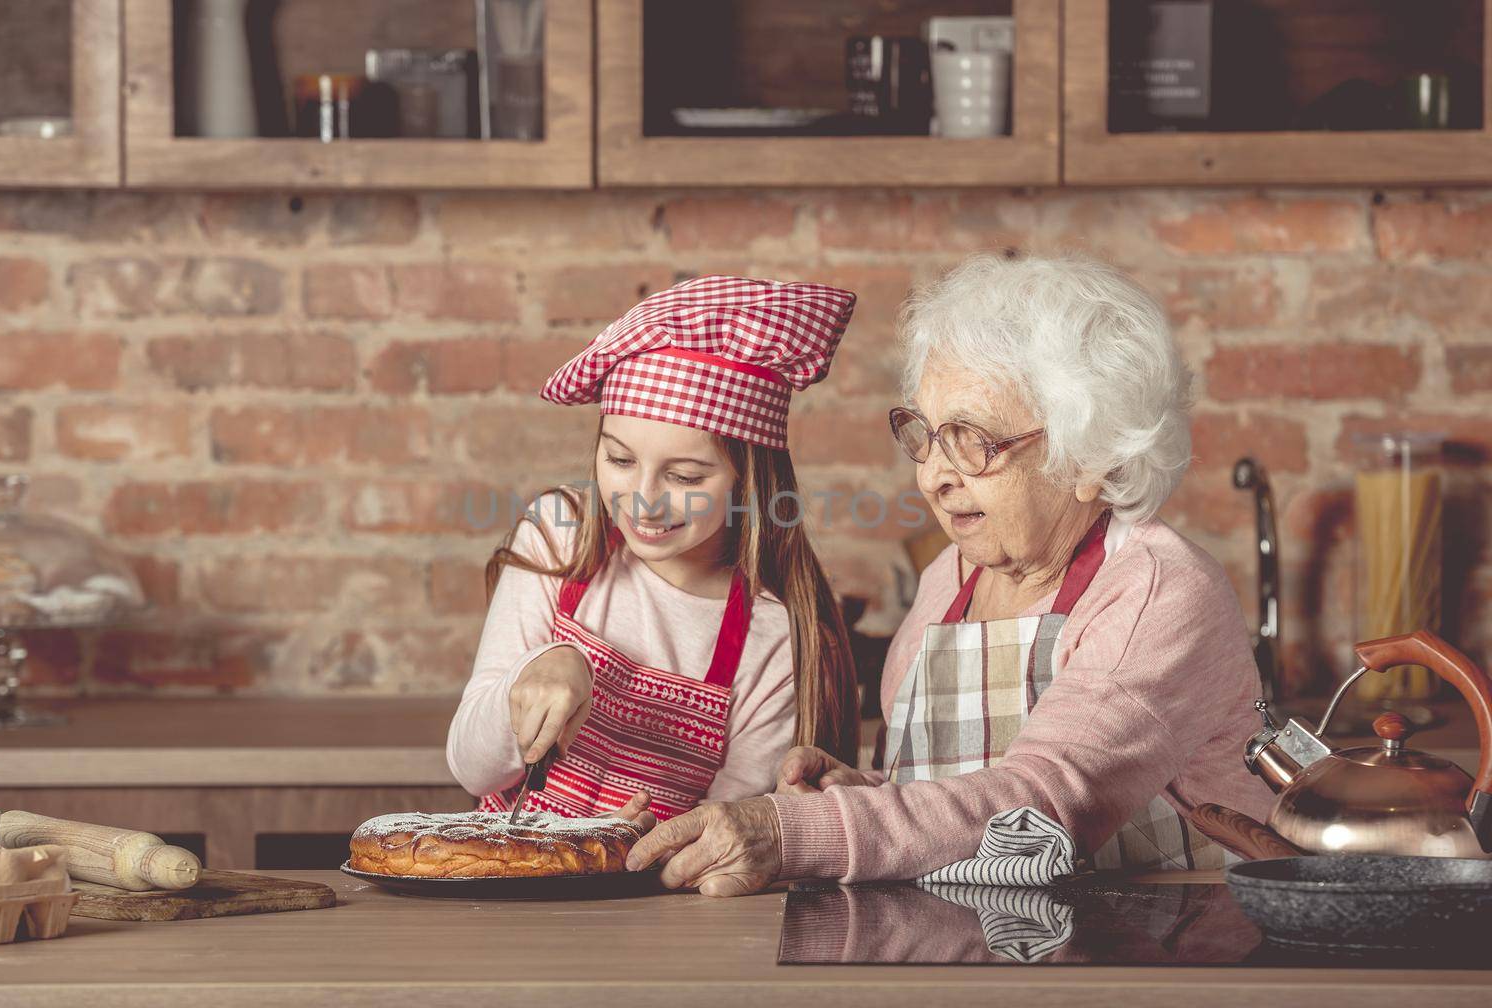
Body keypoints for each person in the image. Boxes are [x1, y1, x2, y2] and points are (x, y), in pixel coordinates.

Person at [626, 252, 1275, 895]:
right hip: (991, 942)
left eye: (973, 440)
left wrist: (800, 831)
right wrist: (869, 791)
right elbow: (956, 799)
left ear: (1093, 457)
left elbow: (1040, 804)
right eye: (927, 434)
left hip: (1162, 955)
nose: (934, 475)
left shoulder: (1157, 590)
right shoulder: (949, 578)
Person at [447, 275, 860, 822]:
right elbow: (472, 769)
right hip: (501, 888)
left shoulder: (773, 638)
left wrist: (629, 851)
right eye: (620, 460)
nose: (643, 500)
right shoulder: (560, 536)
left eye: (686, 477)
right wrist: (543, 667)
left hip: (655, 903)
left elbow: (726, 837)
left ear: (748, 482)